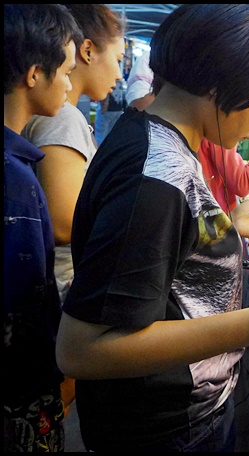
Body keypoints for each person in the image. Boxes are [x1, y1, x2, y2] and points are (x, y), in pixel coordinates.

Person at [55, 5, 249, 452]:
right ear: (223, 83)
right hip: (161, 428)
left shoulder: (162, 141)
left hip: (181, 413)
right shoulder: (152, 176)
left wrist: (231, 226)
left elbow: (172, 246)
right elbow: (82, 349)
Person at [4, 4, 81, 452]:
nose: (70, 85)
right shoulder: (15, 180)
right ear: (35, 73)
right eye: (66, 72)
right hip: (19, 392)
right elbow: (24, 308)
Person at [22, 4, 125, 304]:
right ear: (88, 51)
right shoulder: (62, 117)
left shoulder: (57, 113)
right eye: (117, 59)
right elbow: (65, 223)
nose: (119, 74)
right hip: (61, 284)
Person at [94, 78, 127, 145]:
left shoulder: (106, 78)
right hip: (118, 109)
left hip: (107, 109)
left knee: (100, 134)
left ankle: (98, 151)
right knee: (113, 134)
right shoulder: (120, 80)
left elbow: (100, 93)